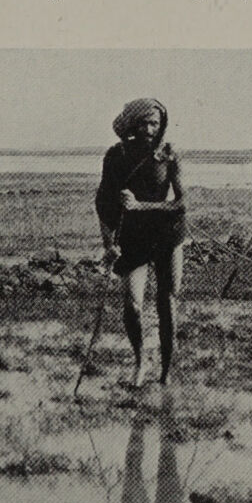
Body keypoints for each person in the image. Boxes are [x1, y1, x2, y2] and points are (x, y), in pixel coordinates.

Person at [95, 98, 186, 386]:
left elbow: (181, 203)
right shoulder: (116, 156)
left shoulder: (170, 155)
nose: (149, 129)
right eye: (143, 123)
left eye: (155, 124)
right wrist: (109, 244)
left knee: (166, 302)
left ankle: (166, 370)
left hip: (168, 235)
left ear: (162, 126)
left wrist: (140, 206)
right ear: (133, 124)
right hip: (132, 238)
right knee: (133, 305)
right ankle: (140, 362)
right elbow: (103, 204)